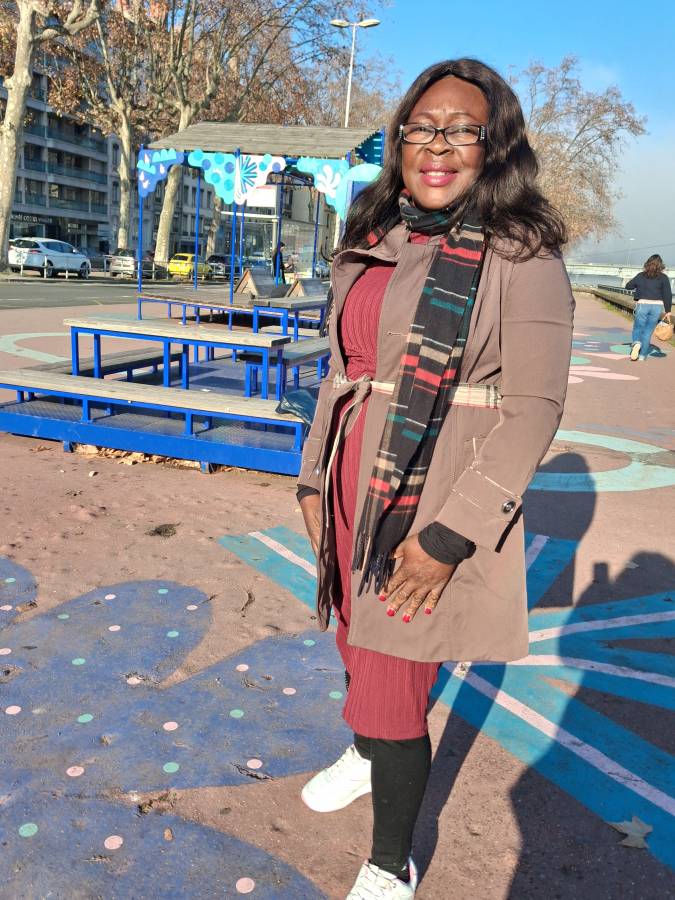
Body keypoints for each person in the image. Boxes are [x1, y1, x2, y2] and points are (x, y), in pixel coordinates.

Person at [296, 58, 574, 899]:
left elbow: (532, 408)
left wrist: (452, 534)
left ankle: (391, 861)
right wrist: (311, 480)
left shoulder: (521, 253)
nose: (437, 145)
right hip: (349, 475)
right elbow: (343, 369)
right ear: (398, 141)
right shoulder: (377, 231)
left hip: (426, 495)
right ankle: (364, 748)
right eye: (421, 128)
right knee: (353, 635)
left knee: (394, 674)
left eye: (461, 130)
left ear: (495, 146)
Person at [625, 255, 672, 360]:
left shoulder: (641, 276)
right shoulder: (663, 278)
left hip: (643, 305)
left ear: (647, 263)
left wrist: (638, 285)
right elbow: (667, 295)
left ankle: (637, 343)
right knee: (648, 331)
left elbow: (628, 286)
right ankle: (642, 356)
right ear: (661, 265)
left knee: (638, 327)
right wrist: (668, 311)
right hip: (657, 307)